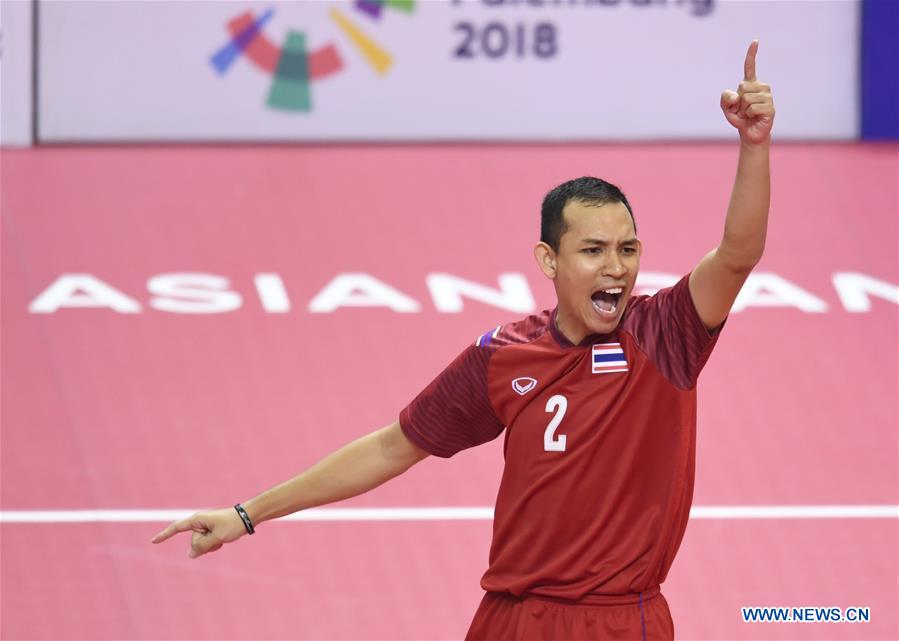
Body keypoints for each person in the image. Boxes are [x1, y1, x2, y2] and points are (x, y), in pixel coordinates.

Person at [152, 40, 774, 640]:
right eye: (592, 250)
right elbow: (393, 447)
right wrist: (246, 515)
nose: (616, 267)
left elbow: (738, 254)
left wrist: (753, 145)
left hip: (616, 621)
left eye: (627, 248)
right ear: (548, 260)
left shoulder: (666, 335)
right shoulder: (505, 355)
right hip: (510, 617)